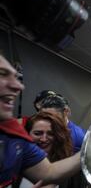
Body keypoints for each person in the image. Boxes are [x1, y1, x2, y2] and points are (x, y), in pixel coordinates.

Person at [0, 53, 80, 187]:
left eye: (51, 133)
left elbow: (48, 171)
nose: (19, 86)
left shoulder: (13, 137)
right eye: (2, 73)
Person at [19, 111, 73, 188]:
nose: (44, 139)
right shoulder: (17, 164)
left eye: (50, 134)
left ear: (59, 136)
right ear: (27, 134)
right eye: (38, 133)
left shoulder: (70, 169)